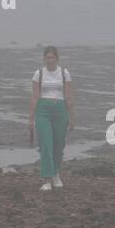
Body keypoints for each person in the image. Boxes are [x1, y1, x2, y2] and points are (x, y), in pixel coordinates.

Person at [28, 46, 74, 191]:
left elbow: (68, 96)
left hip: (60, 110)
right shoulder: (39, 74)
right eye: (47, 57)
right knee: (46, 145)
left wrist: (72, 117)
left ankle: (56, 175)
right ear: (44, 59)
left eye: (52, 57)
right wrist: (30, 119)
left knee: (58, 146)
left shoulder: (64, 73)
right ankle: (47, 180)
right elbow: (35, 97)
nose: (50, 60)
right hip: (43, 111)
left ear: (57, 59)